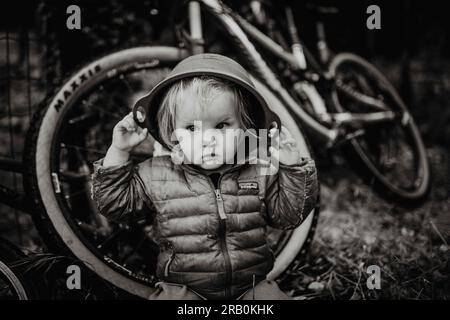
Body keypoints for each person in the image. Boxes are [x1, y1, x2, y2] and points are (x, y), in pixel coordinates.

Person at [91, 53, 318, 300]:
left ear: (244, 129)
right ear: (172, 133)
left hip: (250, 289)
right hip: (183, 290)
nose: (207, 138)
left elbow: (289, 216)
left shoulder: (259, 169)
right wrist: (119, 151)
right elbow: (115, 205)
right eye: (191, 128)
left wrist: (292, 168)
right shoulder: (157, 173)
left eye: (221, 125)